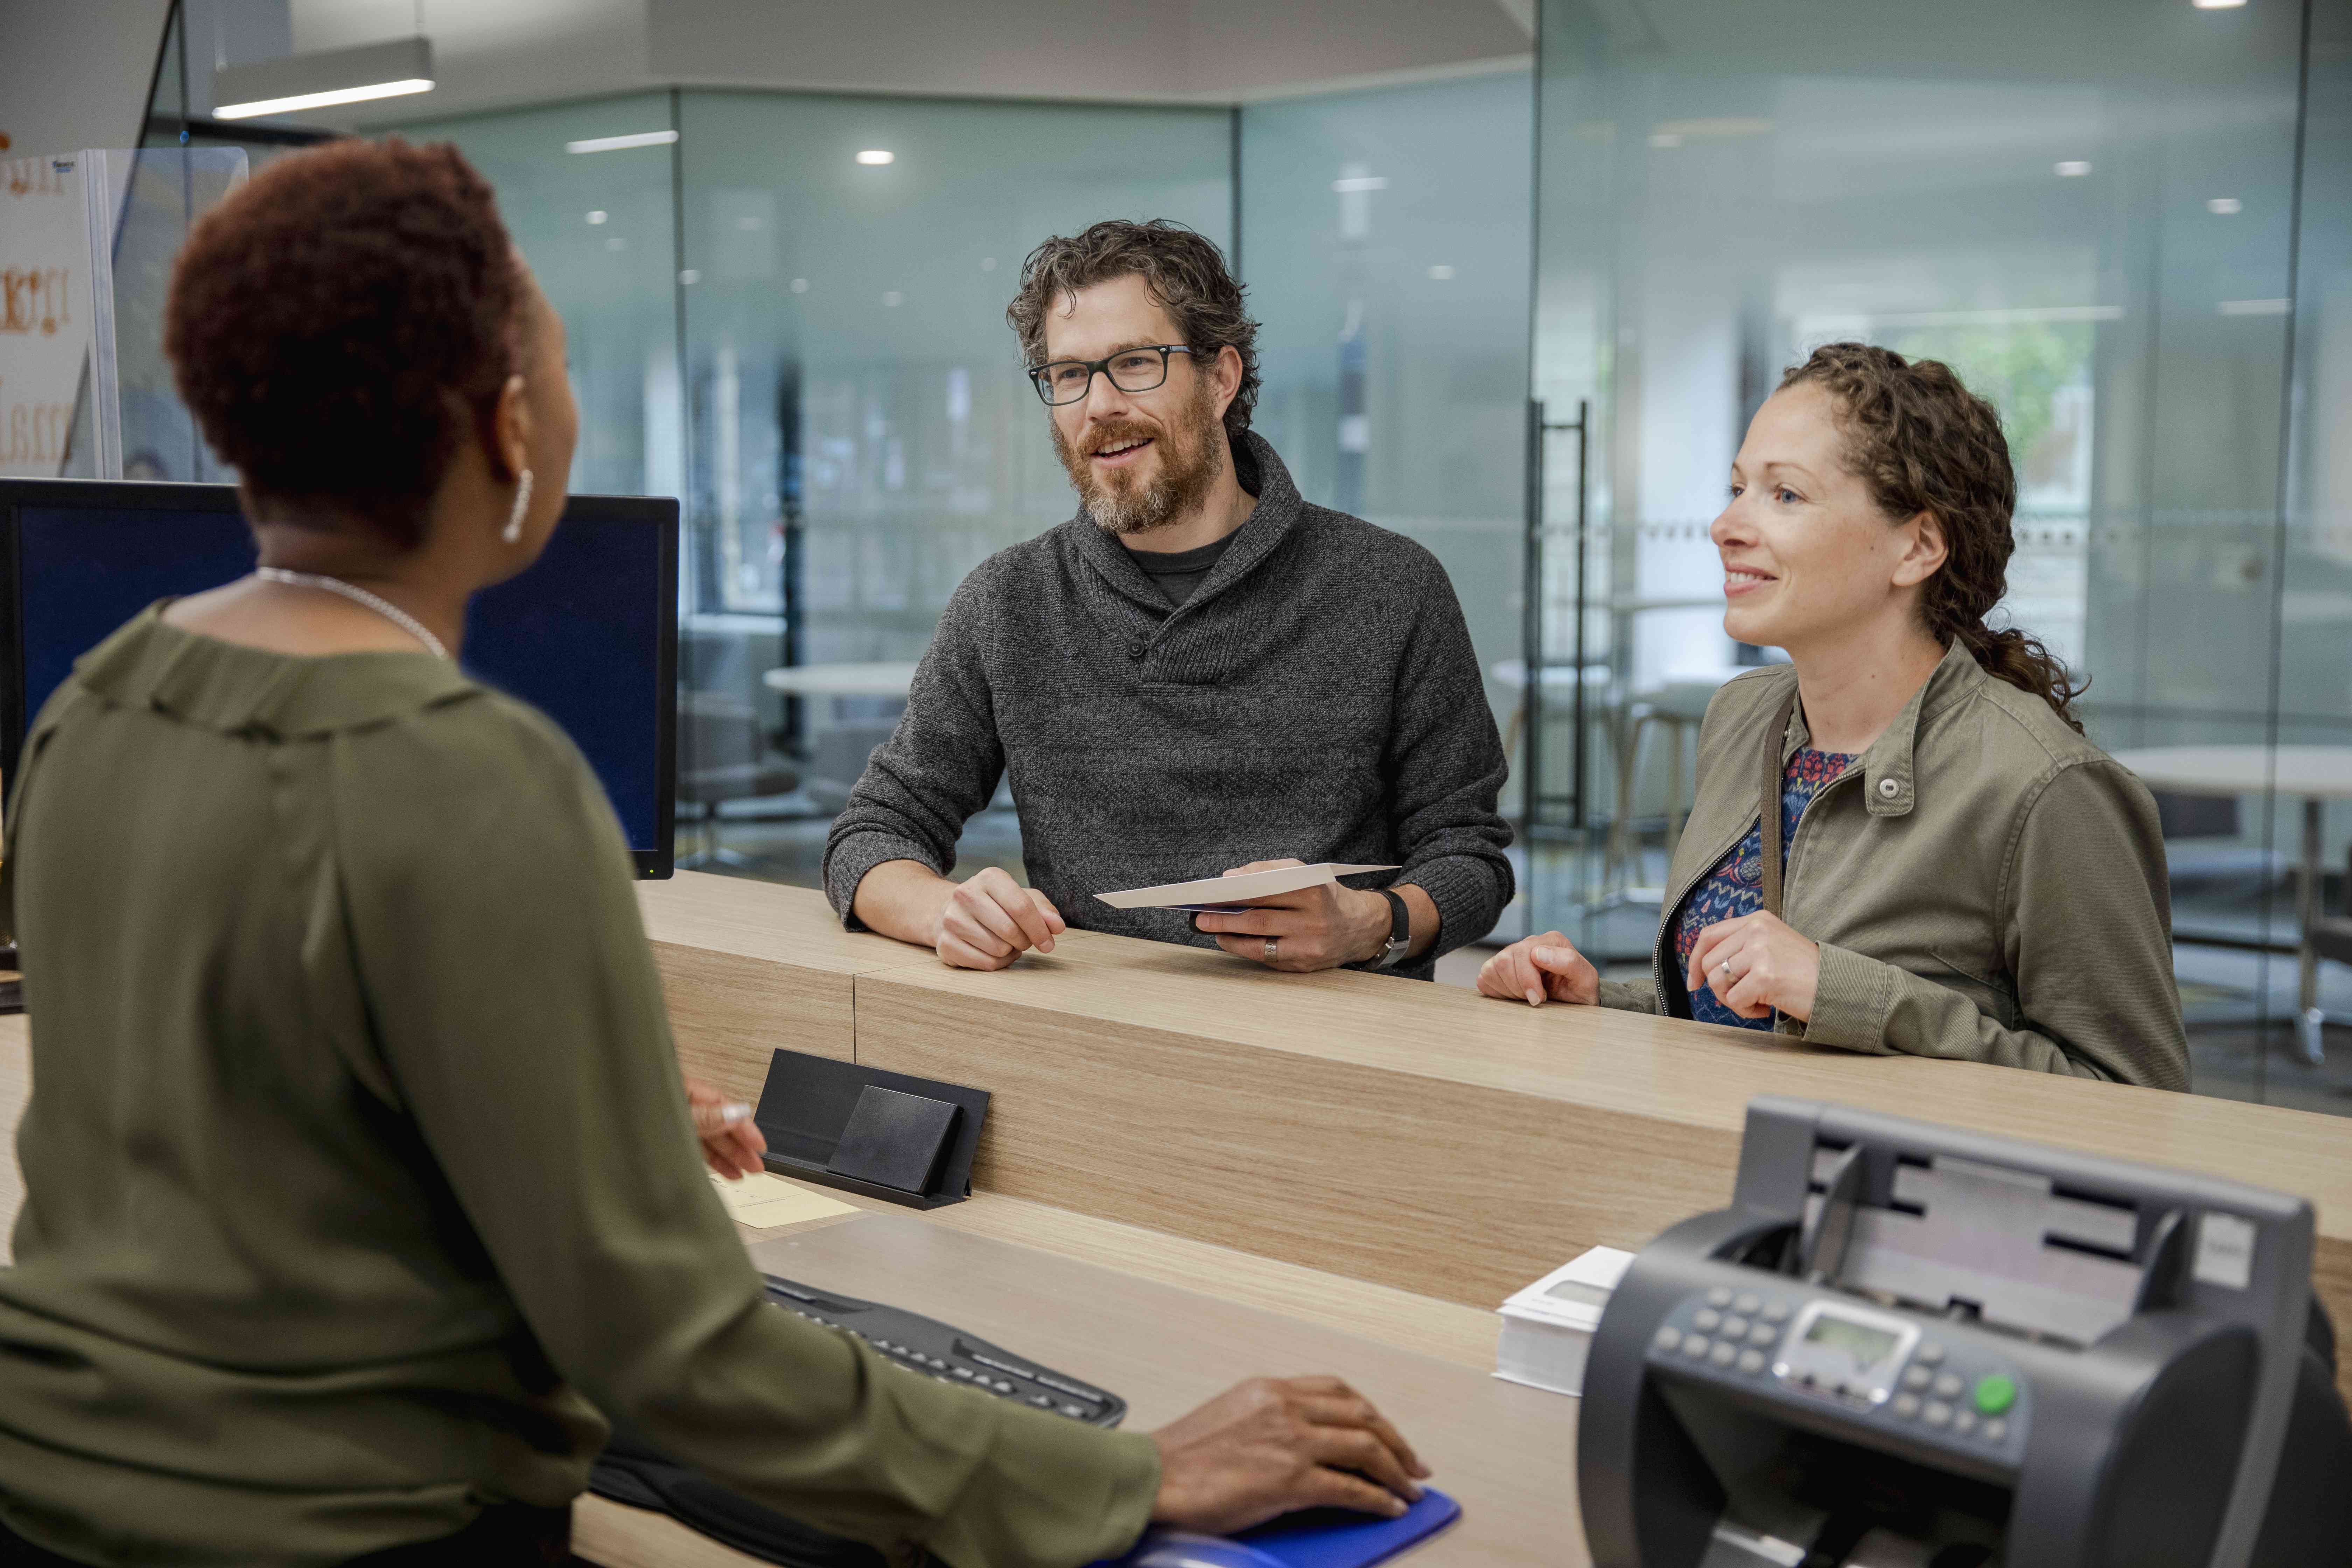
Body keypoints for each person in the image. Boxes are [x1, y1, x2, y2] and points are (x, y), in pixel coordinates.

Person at [0, 139, 1427, 1567]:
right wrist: (1124, 1474)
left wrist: (561, 1121)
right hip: (351, 1530)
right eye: (559, 369)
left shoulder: (97, 701)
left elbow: (220, 1118)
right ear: (509, 428)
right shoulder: (471, 777)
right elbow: (679, 1353)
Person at [1478, 344, 2190, 1091]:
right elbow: (1751, 1020)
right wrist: (1601, 1003)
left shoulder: (2046, 786)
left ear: (1917, 546)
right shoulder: (1744, 716)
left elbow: (2137, 1099)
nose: (1726, 524)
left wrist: (1842, 990)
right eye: (1738, 488)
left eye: (1785, 495)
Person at [824, 219, 1512, 980]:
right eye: (1070, 375)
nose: (1099, 405)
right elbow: (874, 833)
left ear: (1221, 378)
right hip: (1095, 1039)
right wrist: (943, 911)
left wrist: (1367, 924)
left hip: (1335, 1049)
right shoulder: (1007, 602)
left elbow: (1467, 853)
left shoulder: (1390, 586)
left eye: (1135, 364)